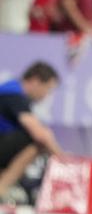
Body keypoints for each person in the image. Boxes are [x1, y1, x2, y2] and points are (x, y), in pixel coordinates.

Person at [0, 62, 65, 203]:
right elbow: (40, 134)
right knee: (37, 141)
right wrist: (64, 159)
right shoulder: (14, 95)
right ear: (35, 81)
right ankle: (2, 189)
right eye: (47, 89)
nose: (46, 95)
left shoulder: (10, 91)